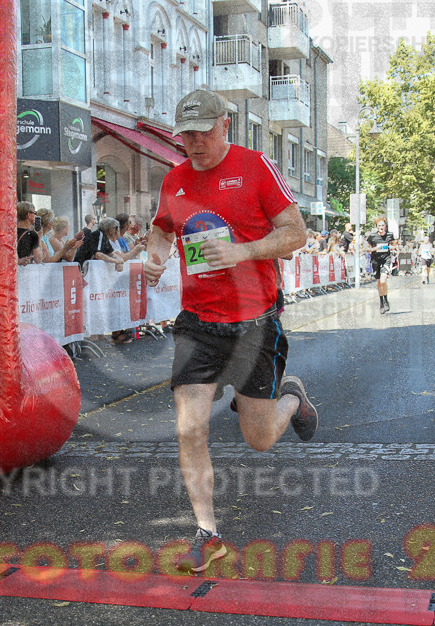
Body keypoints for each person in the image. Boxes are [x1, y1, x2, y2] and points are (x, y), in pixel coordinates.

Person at [144, 88, 318, 574]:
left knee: (259, 439)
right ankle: (208, 533)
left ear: (225, 124)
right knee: (189, 427)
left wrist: (242, 251)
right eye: (186, 136)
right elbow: (161, 229)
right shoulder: (175, 179)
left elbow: (296, 233)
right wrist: (154, 258)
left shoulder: (256, 166)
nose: (194, 144)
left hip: (253, 324)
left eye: (203, 133)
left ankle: (292, 399)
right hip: (197, 323)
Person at [365, 217, 394, 312]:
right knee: (379, 282)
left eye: (382, 225)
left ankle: (386, 300)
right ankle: (381, 302)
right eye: (379, 225)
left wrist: (392, 247)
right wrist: (375, 249)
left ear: (385, 226)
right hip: (376, 260)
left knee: (383, 281)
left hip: (386, 259)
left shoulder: (390, 235)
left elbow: (394, 245)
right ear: (376, 227)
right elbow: (367, 248)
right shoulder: (372, 236)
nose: (381, 227)